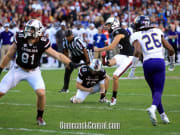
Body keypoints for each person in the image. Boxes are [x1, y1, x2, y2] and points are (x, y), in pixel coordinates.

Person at [0, 19, 77, 126]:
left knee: (41, 93)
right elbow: (9, 55)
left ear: (38, 31)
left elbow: (57, 55)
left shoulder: (42, 42)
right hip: (17, 69)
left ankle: (39, 117)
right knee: (1, 92)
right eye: (27, 28)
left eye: (31, 29)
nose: (28, 31)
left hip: (33, 72)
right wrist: (0, 68)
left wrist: (70, 62)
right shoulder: (20, 37)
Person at [130, 15, 175, 126]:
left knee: (154, 92)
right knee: (158, 91)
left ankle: (163, 116)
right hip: (159, 62)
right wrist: (172, 63)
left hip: (147, 64)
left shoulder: (135, 35)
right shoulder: (157, 31)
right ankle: (153, 108)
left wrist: (132, 69)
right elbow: (170, 49)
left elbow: (137, 52)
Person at [95, 17, 134, 106]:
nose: (107, 27)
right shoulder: (116, 32)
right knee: (108, 64)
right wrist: (104, 59)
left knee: (115, 76)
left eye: (108, 25)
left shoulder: (119, 31)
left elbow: (112, 47)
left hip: (129, 57)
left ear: (114, 24)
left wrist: (98, 49)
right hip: (122, 55)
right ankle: (104, 60)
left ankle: (114, 98)